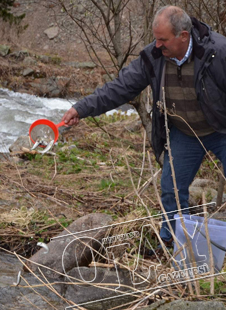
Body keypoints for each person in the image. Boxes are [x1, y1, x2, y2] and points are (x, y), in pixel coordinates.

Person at [61, 5, 226, 246]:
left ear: (183, 36)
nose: (157, 45)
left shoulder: (218, 52)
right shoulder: (154, 57)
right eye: (155, 39)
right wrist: (81, 108)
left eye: (163, 40)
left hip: (222, 130)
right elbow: (119, 88)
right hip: (186, 133)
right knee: (171, 190)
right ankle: (171, 243)